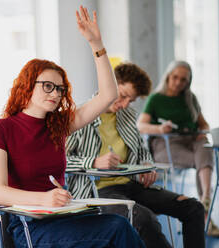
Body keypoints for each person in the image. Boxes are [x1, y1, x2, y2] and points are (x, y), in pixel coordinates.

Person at [0, 6, 144, 248]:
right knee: (116, 228)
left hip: (65, 215)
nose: (55, 93)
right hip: (30, 225)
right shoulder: (0, 129)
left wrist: (96, 43)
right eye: (47, 86)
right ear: (27, 85)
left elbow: (108, 94)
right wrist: (45, 199)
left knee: (116, 225)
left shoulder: (58, 125)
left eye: (59, 89)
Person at [66, 62, 205, 248]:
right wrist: (94, 162)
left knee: (194, 208)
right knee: (145, 220)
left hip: (132, 185)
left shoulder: (128, 115)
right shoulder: (79, 115)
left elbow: (141, 149)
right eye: (122, 96)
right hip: (98, 192)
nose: (124, 104)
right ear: (108, 85)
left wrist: (147, 164)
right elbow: (60, 162)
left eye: (130, 100)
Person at [137, 60, 219, 237]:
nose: (178, 82)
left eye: (183, 80)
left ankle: (205, 198)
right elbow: (141, 125)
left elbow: (204, 124)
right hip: (166, 146)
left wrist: (202, 132)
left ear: (188, 82)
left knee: (204, 144)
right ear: (168, 76)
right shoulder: (156, 99)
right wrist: (160, 129)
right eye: (175, 77)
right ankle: (206, 211)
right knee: (203, 161)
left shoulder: (190, 99)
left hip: (191, 143)